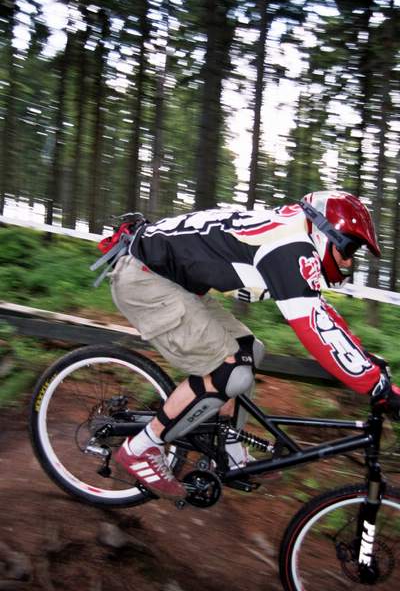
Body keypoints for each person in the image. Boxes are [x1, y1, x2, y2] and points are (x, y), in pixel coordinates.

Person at [108, 190, 400, 500]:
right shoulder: (289, 246)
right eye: (349, 248)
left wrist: (365, 362)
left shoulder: (294, 230)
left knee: (249, 349)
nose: (349, 260)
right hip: (145, 280)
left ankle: (230, 450)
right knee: (231, 371)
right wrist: (375, 385)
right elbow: (313, 328)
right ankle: (143, 446)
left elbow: (321, 312)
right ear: (325, 232)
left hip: (172, 281)